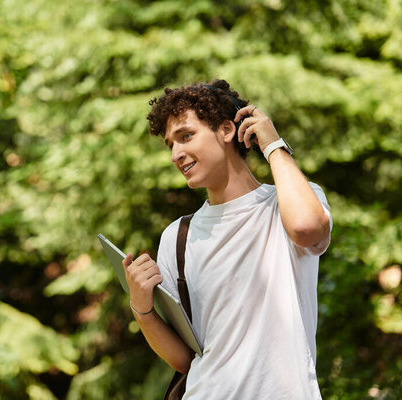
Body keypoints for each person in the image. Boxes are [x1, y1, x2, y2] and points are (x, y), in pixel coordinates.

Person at [121, 79, 332, 399]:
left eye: (186, 136)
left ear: (225, 130)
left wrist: (273, 145)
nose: (177, 153)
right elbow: (185, 359)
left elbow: (306, 228)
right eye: (170, 145)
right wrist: (142, 309)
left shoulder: (288, 203)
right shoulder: (178, 237)